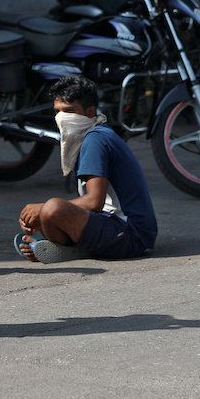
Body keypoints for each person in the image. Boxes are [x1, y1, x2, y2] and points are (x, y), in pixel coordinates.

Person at [15, 76, 157, 264]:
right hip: (114, 226)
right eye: (57, 112)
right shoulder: (90, 135)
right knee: (48, 214)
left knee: (51, 208)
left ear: (90, 112)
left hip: (130, 234)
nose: (62, 118)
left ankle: (71, 250)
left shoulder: (95, 139)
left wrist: (42, 210)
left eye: (69, 111)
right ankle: (65, 248)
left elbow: (94, 202)